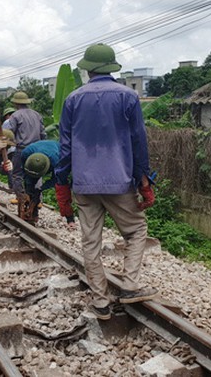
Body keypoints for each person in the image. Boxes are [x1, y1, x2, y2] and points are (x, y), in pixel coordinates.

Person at [55, 43, 157, 321]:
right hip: (120, 180)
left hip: (84, 184)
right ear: (112, 68)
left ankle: (100, 302)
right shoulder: (128, 97)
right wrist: (144, 178)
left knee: (91, 242)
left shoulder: (72, 100)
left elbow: (65, 148)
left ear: (87, 69)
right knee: (136, 231)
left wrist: (61, 180)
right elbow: (138, 141)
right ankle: (130, 286)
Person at [21, 140, 76, 228]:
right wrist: (29, 188)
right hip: (35, 159)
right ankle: (33, 213)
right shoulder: (25, 153)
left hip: (56, 155)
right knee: (30, 188)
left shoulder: (58, 161)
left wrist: (41, 188)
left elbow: (55, 180)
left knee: (62, 190)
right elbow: (24, 171)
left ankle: (70, 219)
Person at [4, 91, 46, 203]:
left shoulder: (15, 115)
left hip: (22, 149)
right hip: (37, 150)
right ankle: (37, 200)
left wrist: (7, 145)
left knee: (17, 175)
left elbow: (10, 133)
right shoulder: (37, 115)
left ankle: (21, 198)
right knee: (35, 174)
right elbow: (43, 134)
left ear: (15, 104)